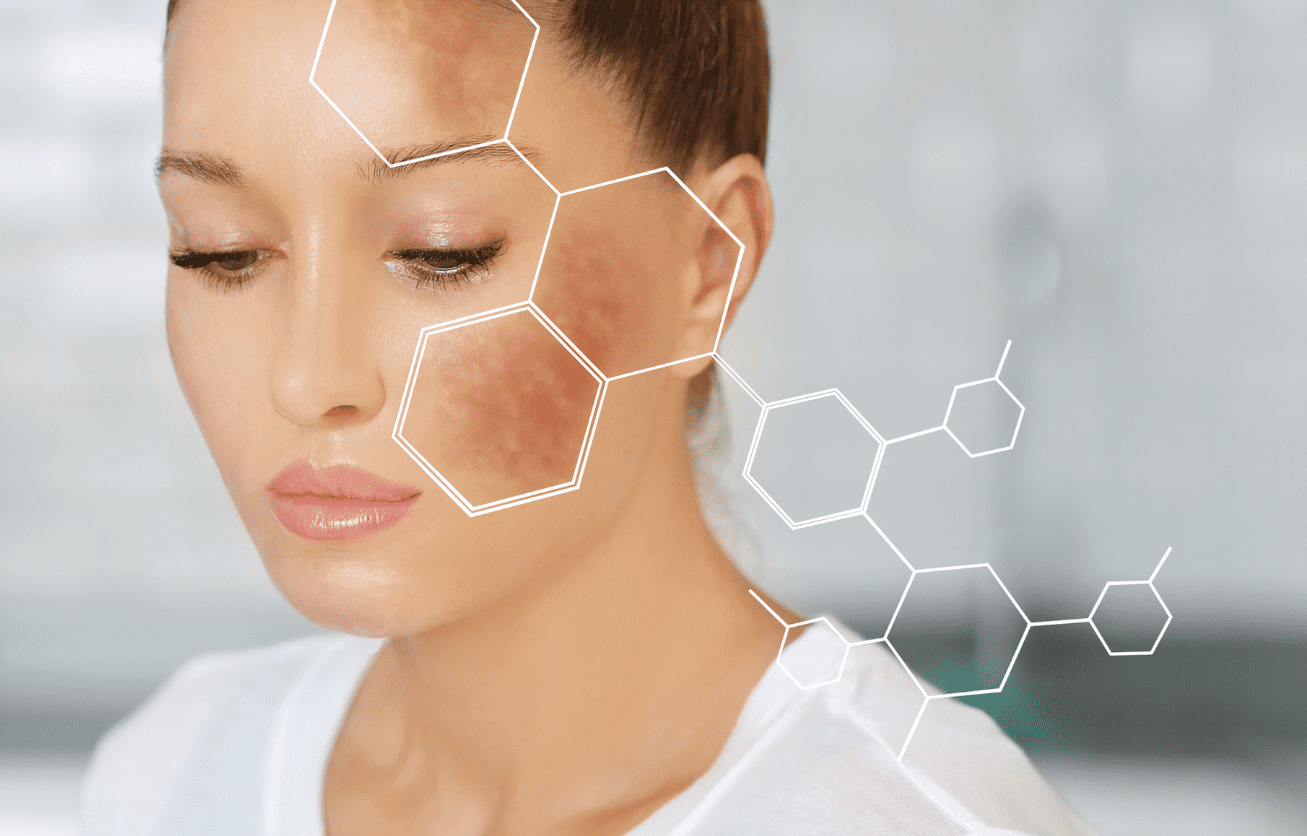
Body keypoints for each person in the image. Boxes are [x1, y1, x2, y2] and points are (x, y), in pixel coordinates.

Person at [81, 1, 1097, 833]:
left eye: (443, 250)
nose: (306, 379)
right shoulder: (174, 773)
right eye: (221, 250)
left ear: (708, 261)